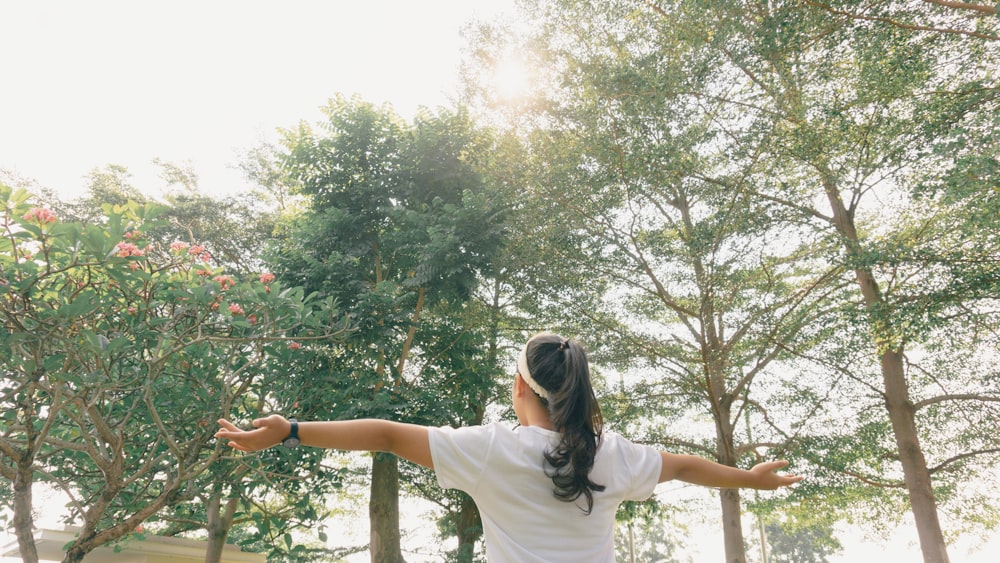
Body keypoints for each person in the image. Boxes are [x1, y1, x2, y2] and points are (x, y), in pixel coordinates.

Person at [216, 332, 802, 562]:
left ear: (519, 385)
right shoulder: (614, 453)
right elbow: (686, 467)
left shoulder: (493, 449)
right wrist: (750, 479)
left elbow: (387, 434)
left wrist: (291, 429)